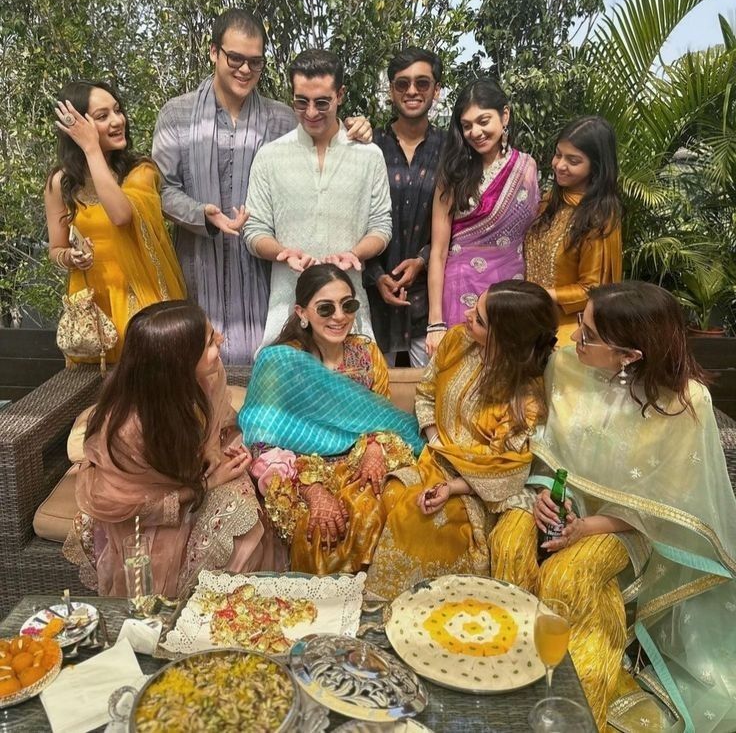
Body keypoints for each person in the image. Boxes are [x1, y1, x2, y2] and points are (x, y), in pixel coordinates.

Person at [490, 282, 736, 732]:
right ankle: (512, 673)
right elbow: (547, 450)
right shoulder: (565, 365)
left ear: (630, 356)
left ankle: (573, 705)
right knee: (507, 541)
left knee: (570, 575)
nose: (571, 341)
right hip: (560, 503)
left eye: (587, 335)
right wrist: (545, 492)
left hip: (628, 526)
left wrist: (589, 527)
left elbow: (668, 504)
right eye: (579, 326)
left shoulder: (685, 403)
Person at [152, 9, 372, 363]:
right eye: (235, 58)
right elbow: (160, 191)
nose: (244, 70)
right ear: (213, 52)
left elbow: (324, 138)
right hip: (200, 264)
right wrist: (202, 213)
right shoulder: (176, 115)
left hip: (264, 272)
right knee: (198, 362)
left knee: (269, 363)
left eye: (255, 62)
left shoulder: (282, 118)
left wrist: (356, 127)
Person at [64, 301, 284, 598]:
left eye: (211, 333)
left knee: (247, 492)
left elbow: (217, 416)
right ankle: (211, 611)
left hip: (188, 477)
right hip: (145, 514)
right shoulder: (129, 429)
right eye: (208, 342)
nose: (220, 340)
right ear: (177, 363)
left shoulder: (204, 375)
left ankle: (239, 608)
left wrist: (215, 450)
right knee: (239, 512)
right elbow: (130, 509)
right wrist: (206, 484)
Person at [365, 280, 558, 600]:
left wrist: (453, 486)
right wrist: (437, 441)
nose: (467, 315)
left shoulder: (527, 399)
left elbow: (507, 470)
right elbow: (426, 394)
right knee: (391, 495)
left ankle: (423, 612)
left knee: (423, 518)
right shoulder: (458, 341)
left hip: (481, 490)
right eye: (476, 307)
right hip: (434, 456)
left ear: (506, 340)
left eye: (480, 319)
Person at [238, 264, 424, 575]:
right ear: (302, 312)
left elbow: (382, 420)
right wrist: (313, 491)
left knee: (392, 507)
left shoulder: (366, 352)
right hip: (300, 474)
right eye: (325, 308)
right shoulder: (279, 361)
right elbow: (261, 443)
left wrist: (376, 450)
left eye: (348, 305)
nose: (339, 316)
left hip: (361, 463)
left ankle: (377, 611)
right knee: (322, 533)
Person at [243, 50, 392, 346]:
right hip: (288, 308)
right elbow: (253, 231)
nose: (311, 112)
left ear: (340, 94)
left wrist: (356, 253)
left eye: (322, 102)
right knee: (284, 388)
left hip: (348, 311)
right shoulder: (270, 157)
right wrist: (281, 252)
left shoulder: (369, 156)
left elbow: (381, 226)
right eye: (302, 101)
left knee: (356, 387)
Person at [45, 81, 185, 365]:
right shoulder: (61, 183)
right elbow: (55, 249)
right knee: (97, 403)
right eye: (102, 116)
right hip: (92, 312)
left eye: (117, 111)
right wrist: (71, 257)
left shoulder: (139, 171)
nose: (117, 121)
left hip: (140, 305)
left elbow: (120, 216)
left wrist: (92, 150)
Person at [425, 79, 539, 357]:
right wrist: (435, 322)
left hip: (509, 292)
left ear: (505, 116)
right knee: (456, 376)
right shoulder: (452, 174)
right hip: (459, 288)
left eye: (483, 120)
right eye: (466, 125)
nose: (475, 132)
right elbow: (438, 252)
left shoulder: (526, 168)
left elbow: (532, 238)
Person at [364, 47, 445, 368]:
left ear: (436, 90)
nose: (412, 91)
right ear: (391, 90)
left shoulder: (452, 149)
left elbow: (464, 222)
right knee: (372, 400)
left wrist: (423, 261)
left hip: (428, 302)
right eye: (402, 84)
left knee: (427, 399)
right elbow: (354, 218)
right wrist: (376, 275)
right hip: (373, 301)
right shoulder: (368, 147)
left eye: (422, 83)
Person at [524, 115, 622, 346]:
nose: (559, 165)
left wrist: (542, 296)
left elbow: (593, 289)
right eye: (558, 154)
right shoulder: (549, 201)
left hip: (568, 337)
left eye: (573, 160)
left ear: (596, 167)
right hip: (529, 324)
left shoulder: (600, 217)